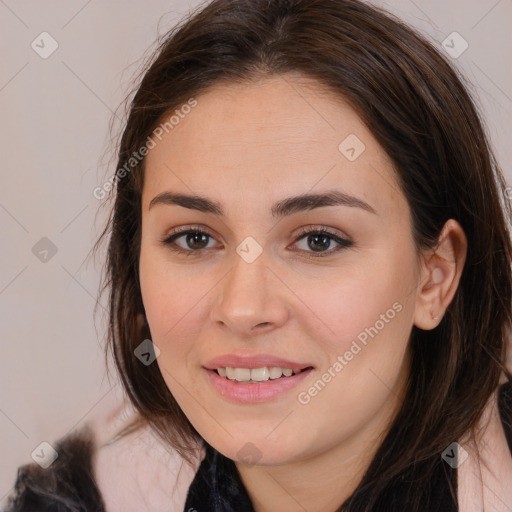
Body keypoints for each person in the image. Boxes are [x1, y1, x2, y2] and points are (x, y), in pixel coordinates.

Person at [4, 0, 512, 510]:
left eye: (318, 240)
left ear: (435, 277)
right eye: (194, 238)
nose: (244, 309)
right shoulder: (71, 498)